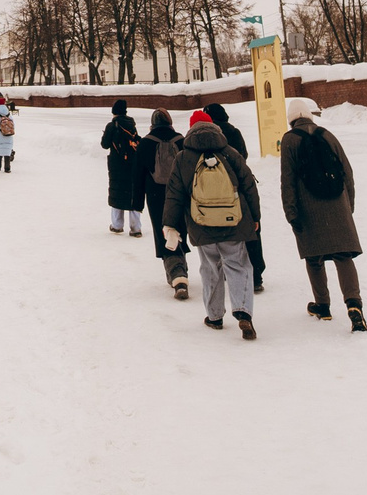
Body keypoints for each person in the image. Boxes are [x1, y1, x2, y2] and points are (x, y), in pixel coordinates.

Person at [164, 109, 261, 339]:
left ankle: (215, 316)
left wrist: (170, 224)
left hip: (201, 223)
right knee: (237, 264)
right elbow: (249, 186)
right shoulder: (229, 152)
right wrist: (255, 217)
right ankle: (243, 312)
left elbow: (174, 194)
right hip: (233, 221)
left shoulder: (183, 158)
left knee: (210, 268)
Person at [279, 99, 367, 329]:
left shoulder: (290, 140)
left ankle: (323, 305)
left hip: (309, 207)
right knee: (342, 256)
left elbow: (287, 180)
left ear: (291, 120)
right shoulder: (327, 135)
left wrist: (291, 212)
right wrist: (349, 206)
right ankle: (354, 304)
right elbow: (347, 172)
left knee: (314, 257)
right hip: (337, 204)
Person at [202, 102, 266, 295]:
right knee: (250, 230)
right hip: (241, 186)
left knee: (225, 230)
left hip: (218, 189)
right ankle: (256, 275)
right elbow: (243, 155)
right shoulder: (235, 132)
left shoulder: (210, 136)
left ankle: (229, 272)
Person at [142, 108, 188, 299]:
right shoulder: (181, 140)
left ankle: (177, 275)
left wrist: (135, 202)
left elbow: (138, 174)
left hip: (155, 195)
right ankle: (181, 268)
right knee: (179, 228)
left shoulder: (146, 143)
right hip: (180, 193)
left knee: (164, 233)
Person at [101, 102, 147, 233]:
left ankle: (117, 225)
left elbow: (104, 144)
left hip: (117, 164)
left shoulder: (112, 125)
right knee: (133, 192)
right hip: (133, 163)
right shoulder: (132, 125)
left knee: (117, 193)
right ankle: (136, 227)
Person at [0, 95, 17, 172]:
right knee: (7, 149)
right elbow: (13, 124)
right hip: (8, 133)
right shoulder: (8, 114)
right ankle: (7, 167)